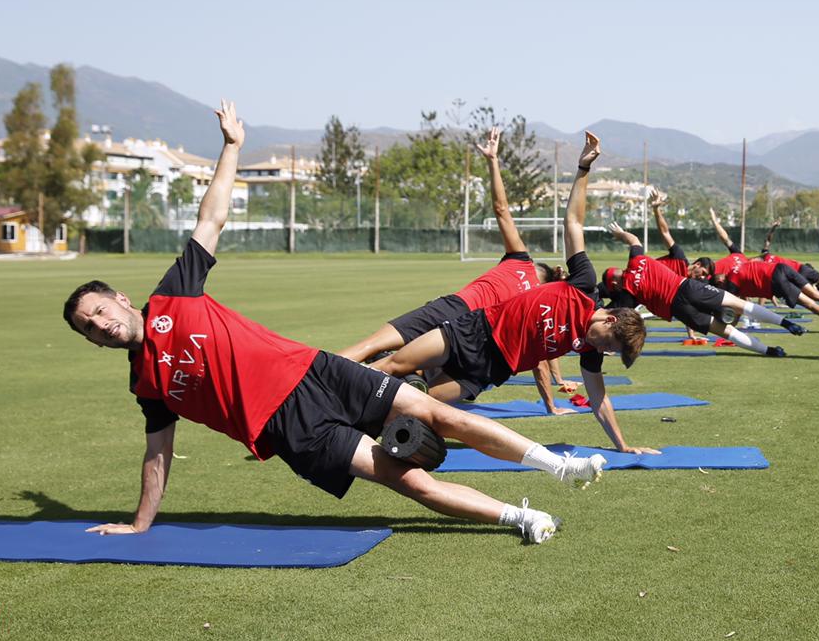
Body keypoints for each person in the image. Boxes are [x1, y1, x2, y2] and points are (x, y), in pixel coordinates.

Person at [62, 101, 601, 545]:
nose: (101, 325)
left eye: (100, 311)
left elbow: (212, 217)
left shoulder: (175, 294)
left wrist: (231, 148)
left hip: (314, 371)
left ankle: (556, 465)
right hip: (288, 429)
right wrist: (139, 523)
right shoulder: (146, 385)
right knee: (406, 479)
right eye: (90, 327)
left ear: (121, 300)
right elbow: (157, 456)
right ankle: (520, 518)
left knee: (436, 414)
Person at [371, 133, 654, 453]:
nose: (605, 349)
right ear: (610, 318)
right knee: (392, 365)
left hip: (489, 368)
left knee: (420, 408)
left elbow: (599, 400)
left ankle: (357, 427)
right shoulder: (584, 286)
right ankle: (327, 390)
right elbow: (573, 222)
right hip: (472, 331)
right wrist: (583, 168)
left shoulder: (589, 351)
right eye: (609, 342)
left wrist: (623, 446)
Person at [335, 126, 574, 407]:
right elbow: (539, 363)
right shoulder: (534, 301)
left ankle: (315, 380)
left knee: (372, 345)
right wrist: (551, 406)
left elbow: (501, 209)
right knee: (419, 398)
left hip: (454, 309)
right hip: (474, 340)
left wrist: (493, 161)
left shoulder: (520, 259)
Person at [600, 221, 803, 356]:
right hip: (687, 287)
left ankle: (769, 351)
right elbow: (634, 240)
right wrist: (620, 234)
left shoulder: (627, 294)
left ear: (615, 285)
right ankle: (784, 322)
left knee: (726, 331)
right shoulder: (637, 260)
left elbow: (613, 316)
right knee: (738, 303)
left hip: (679, 309)